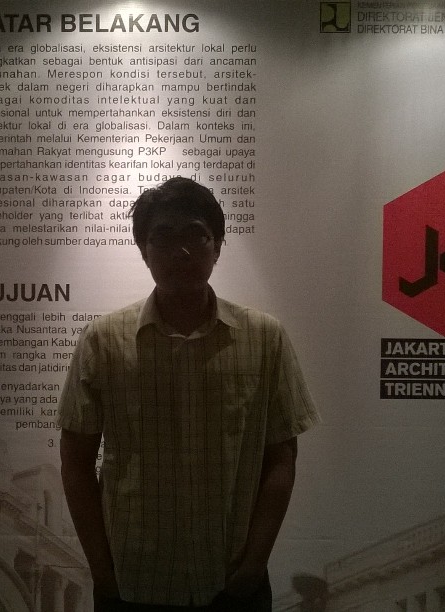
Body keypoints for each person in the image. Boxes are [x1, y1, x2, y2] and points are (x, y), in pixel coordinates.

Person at [57, 177, 320, 612]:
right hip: (134, 582)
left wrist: (253, 566)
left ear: (217, 246)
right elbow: (75, 461)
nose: (180, 251)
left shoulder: (264, 337)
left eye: (196, 234)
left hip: (232, 580)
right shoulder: (103, 340)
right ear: (143, 250)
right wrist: (104, 574)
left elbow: (281, 457)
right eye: (162, 237)